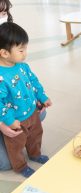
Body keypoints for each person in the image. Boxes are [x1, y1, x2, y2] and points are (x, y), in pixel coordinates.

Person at [0, 22, 52, 177]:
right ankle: (21, 167)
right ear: (4, 53)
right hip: (16, 119)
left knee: (35, 135)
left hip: (31, 111)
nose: (25, 53)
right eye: (21, 50)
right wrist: (8, 120)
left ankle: (35, 154)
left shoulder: (22, 65)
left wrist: (42, 97)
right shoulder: (1, 77)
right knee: (15, 146)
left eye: (25, 48)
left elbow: (34, 82)